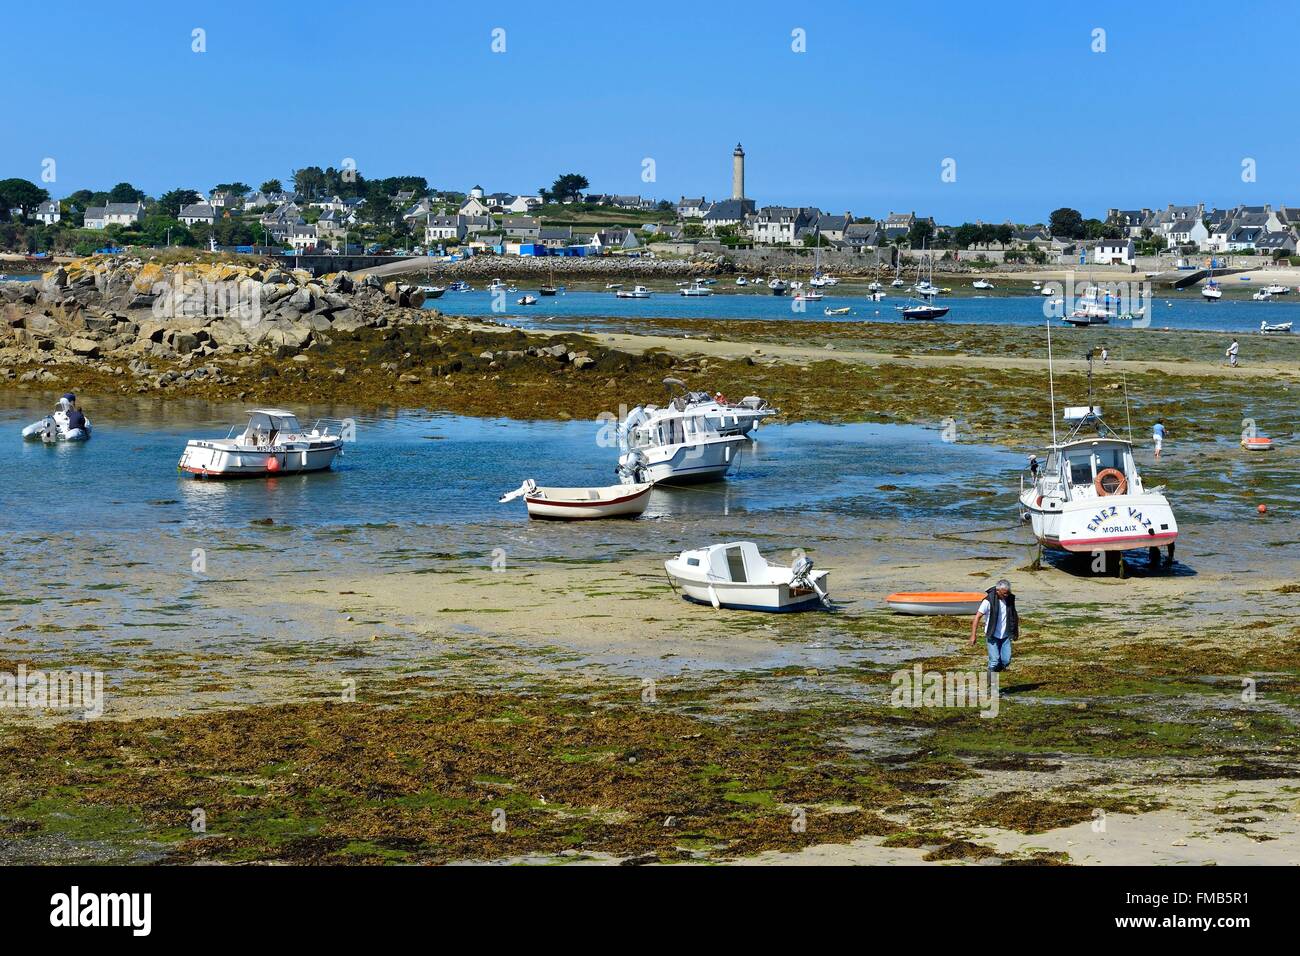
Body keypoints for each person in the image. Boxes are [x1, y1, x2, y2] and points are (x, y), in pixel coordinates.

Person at [970, 579, 1018, 673]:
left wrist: (1015, 631)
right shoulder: (988, 601)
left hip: (1006, 635)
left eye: (1008, 593)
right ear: (997, 591)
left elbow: (1014, 615)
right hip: (992, 635)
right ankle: (991, 683)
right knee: (994, 661)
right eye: (1004, 593)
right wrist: (973, 635)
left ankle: (994, 672)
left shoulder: (1009, 599)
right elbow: (977, 617)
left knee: (1006, 661)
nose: (1006, 595)